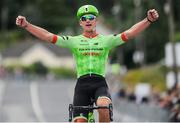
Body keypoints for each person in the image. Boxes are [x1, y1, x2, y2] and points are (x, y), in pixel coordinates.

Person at [16, 5, 159, 122]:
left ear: (96, 21)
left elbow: (129, 33)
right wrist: (26, 25)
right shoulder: (74, 41)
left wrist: (148, 20)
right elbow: (48, 36)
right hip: (82, 85)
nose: (88, 20)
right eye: (84, 18)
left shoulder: (106, 40)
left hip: (99, 83)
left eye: (91, 17)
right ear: (81, 23)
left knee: (104, 107)